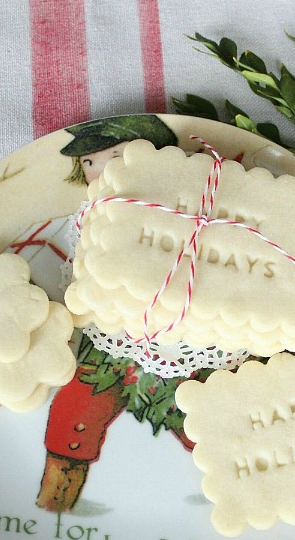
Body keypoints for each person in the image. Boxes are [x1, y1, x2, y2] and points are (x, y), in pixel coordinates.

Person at [36, 115, 198, 513]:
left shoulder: (183, 211)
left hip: (181, 343)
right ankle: (55, 497)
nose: (100, 170)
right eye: (90, 163)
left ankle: (240, 478)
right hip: (109, 342)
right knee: (76, 411)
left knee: (201, 419)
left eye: (118, 157)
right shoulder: (87, 218)